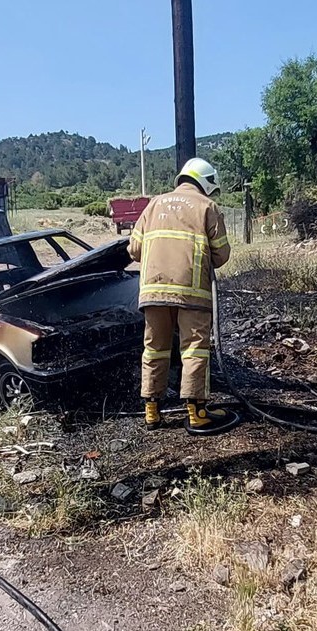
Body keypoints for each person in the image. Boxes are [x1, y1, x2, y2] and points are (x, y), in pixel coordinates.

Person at [128, 158, 231, 429]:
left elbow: (134, 249)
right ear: (207, 182)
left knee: (155, 349)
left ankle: (152, 410)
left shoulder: (153, 205)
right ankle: (196, 413)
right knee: (195, 349)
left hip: (153, 290)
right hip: (192, 291)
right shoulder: (207, 207)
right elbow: (221, 254)